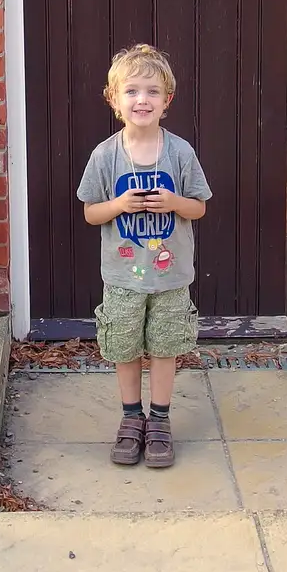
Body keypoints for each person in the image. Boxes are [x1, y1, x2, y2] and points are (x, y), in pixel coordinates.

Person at [78, 44, 211, 469]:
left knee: (166, 347)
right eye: (132, 91)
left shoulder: (180, 153)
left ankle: (160, 420)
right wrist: (118, 206)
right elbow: (90, 212)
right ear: (113, 99)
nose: (142, 100)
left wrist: (173, 200)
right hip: (122, 277)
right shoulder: (104, 155)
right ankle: (131, 417)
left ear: (167, 101)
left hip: (171, 278)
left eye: (152, 92)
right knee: (124, 347)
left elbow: (200, 207)